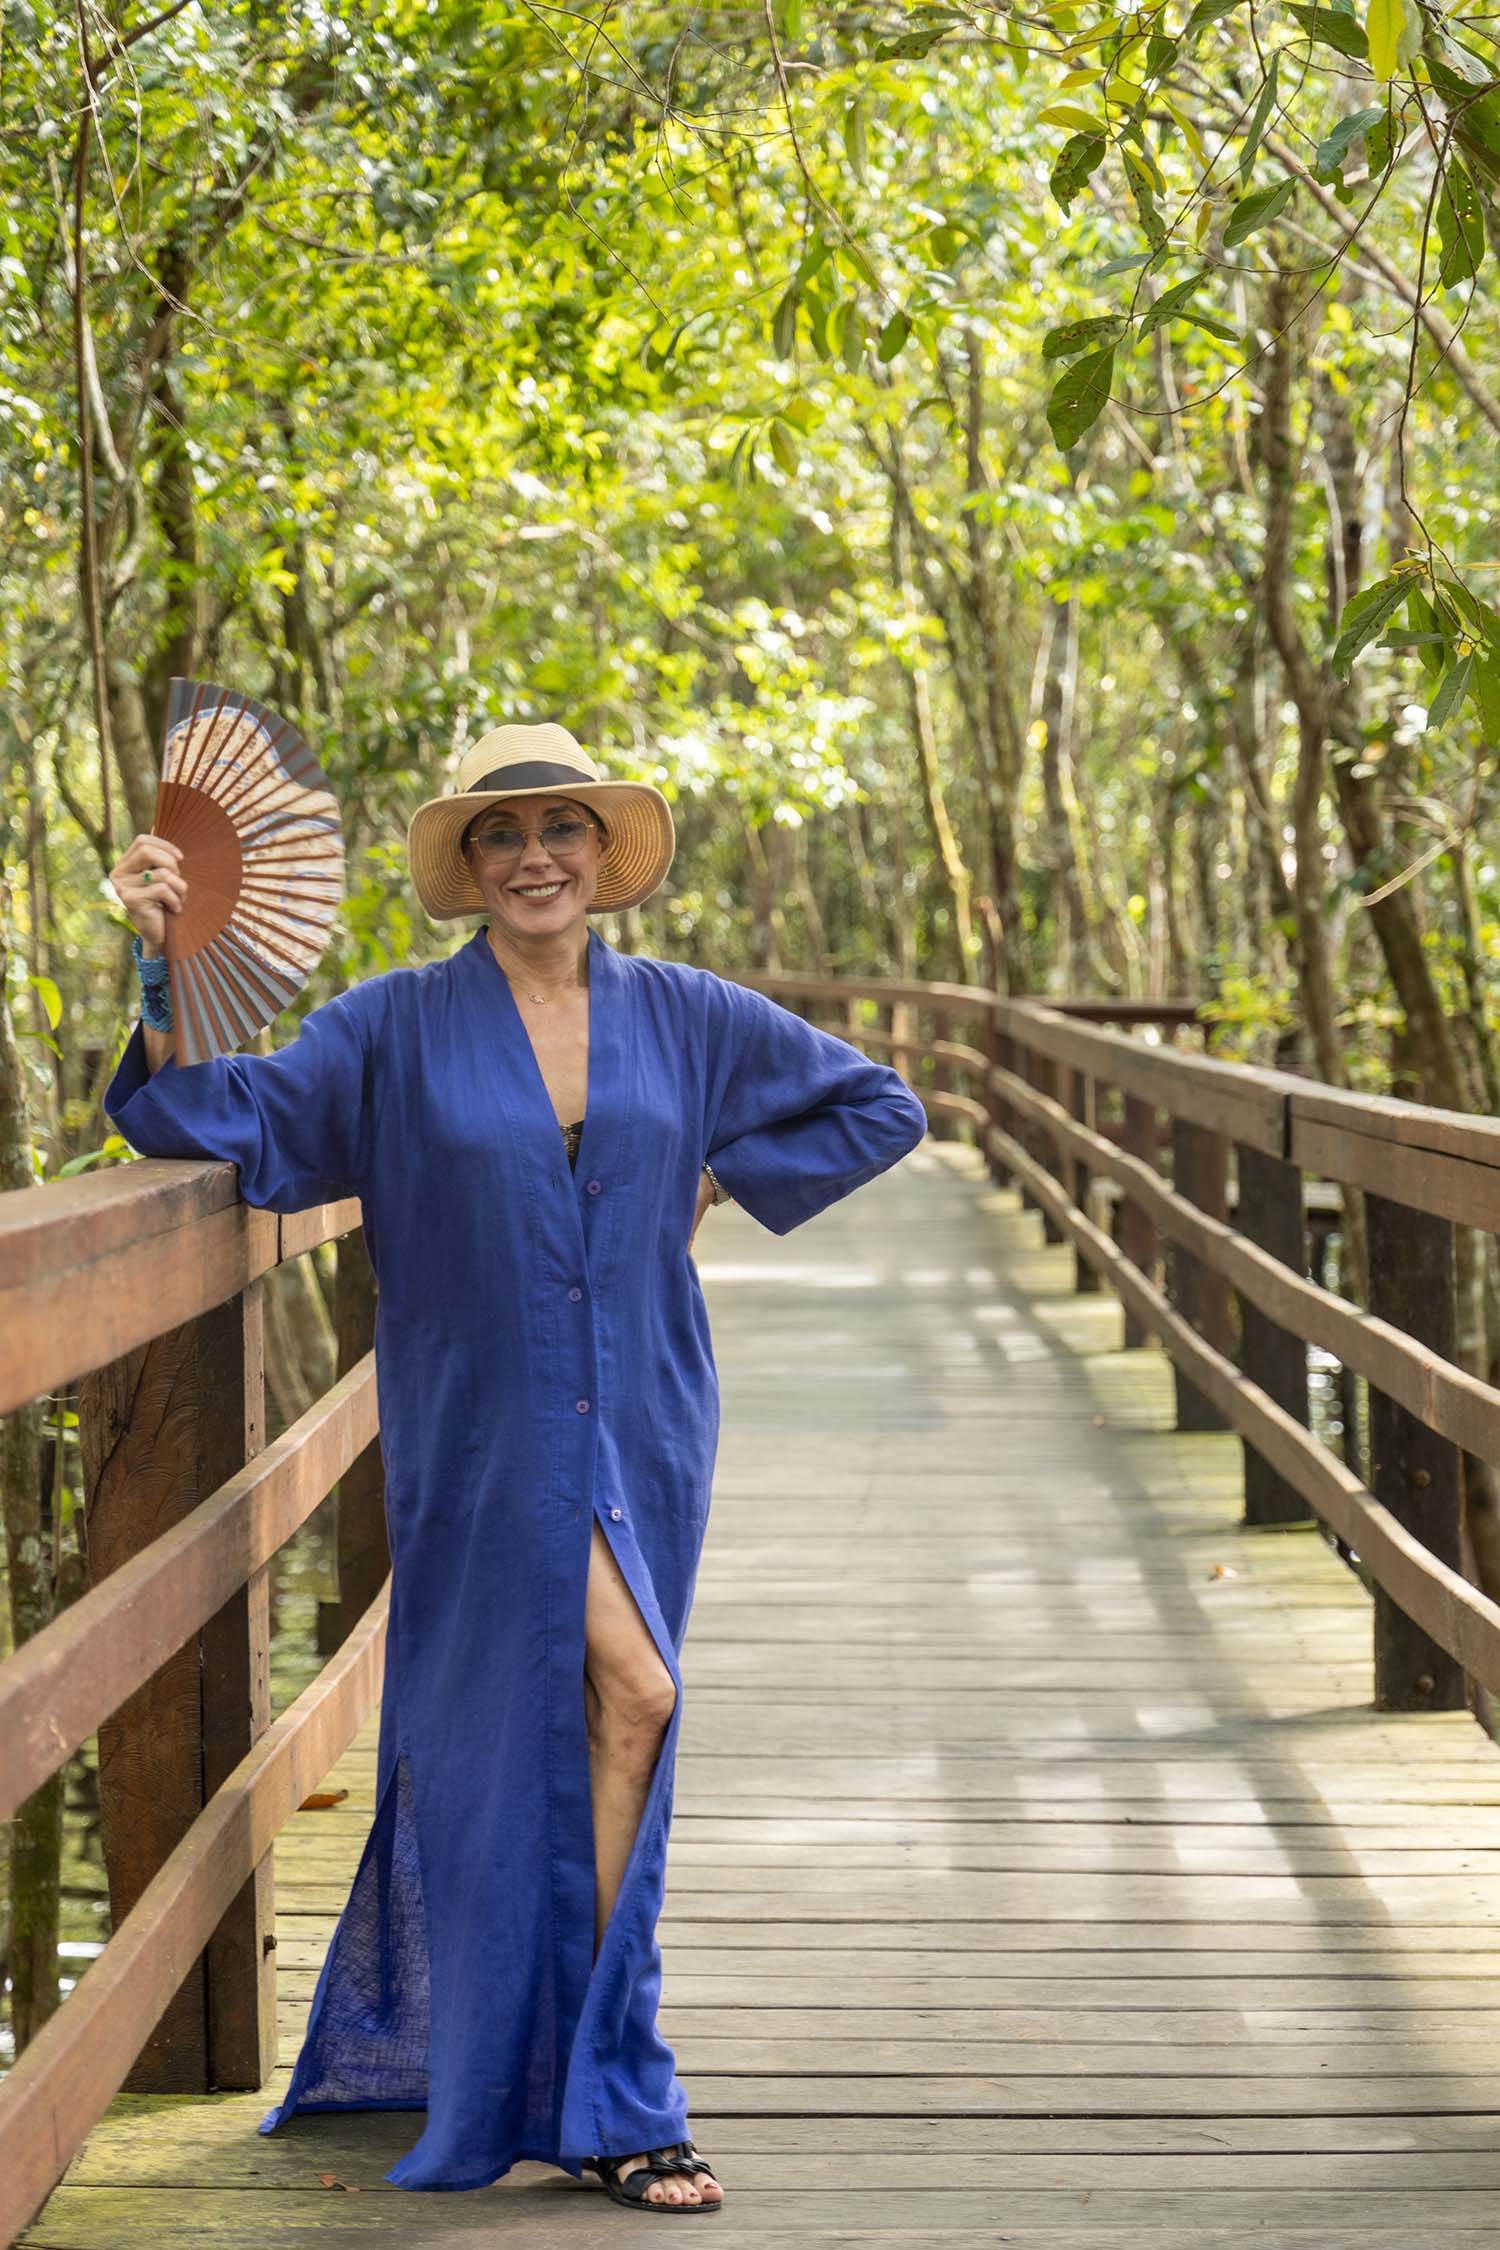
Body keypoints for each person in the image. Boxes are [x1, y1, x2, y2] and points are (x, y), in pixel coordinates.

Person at [103, 720, 929, 2214]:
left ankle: (581, 2073)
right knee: (603, 1705)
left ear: (601, 855)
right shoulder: (393, 1027)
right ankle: (608, 2086)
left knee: (621, 1706)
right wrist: (162, 969)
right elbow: (211, 1117)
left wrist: (709, 1177)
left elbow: (881, 1106)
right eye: (502, 835)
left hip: (648, 1415)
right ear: (469, 868)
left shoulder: (688, 1015)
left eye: (560, 828)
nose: (535, 855)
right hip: (481, 1425)